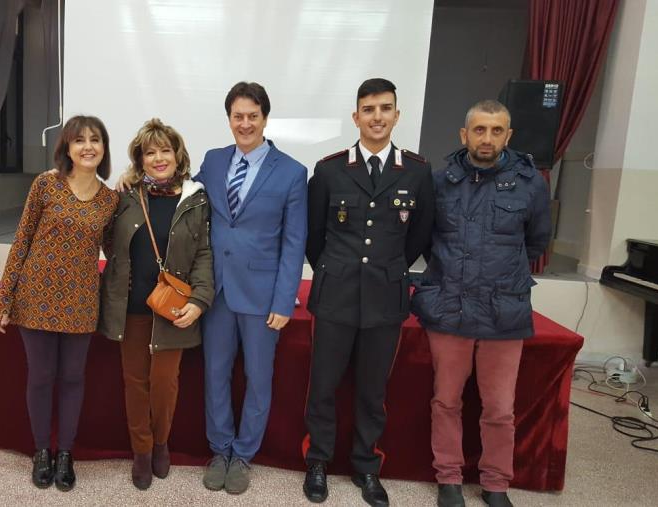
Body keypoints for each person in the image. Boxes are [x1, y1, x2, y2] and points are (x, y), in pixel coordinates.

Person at [411, 100, 551, 507]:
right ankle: (449, 478)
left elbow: (537, 242)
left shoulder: (531, 183)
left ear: (508, 136)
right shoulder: (439, 182)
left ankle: (495, 484)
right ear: (464, 135)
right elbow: (423, 237)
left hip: (503, 312)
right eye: (479, 130)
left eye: (496, 131)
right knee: (446, 400)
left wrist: (500, 275)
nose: (486, 138)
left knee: (500, 408)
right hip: (449, 308)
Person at [303, 78, 435, 506]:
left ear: (397, 115)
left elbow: (419, 235)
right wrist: (337, 268)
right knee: (323, 385)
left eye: (385, 108)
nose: (377, 116)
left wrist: (386, 268)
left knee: (372, 391)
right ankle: (318, 462)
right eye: (369, 109)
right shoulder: (329, 169)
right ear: (356, 116)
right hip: (336, 294)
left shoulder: (416, 171)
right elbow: (313, 235)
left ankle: (366, 467)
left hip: (385, 296)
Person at [0, 115, 119, 491]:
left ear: (104, 148)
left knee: (73, 378)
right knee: (42, 376)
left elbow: (115, 253)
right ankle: (40, 452)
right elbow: (22, 241)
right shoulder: (46, 185)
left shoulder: (111, 199)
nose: (88, 147)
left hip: (81, 299)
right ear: (66, 147)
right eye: (79, 140)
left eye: (95, 140)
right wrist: (5, 298)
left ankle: (65, 453)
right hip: (36, 295)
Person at [193, 81, 308, 495]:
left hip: (263, 296)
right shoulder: (212, 159)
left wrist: (284, 299)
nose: (245, 123)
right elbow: (185, 196)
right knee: (215, 374)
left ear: (265, 118)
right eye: (237, 116)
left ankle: (243, 455)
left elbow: (294, 242)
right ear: (229, 119)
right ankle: (220, 448)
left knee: (258, 379)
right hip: (216, 290)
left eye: (252, 116)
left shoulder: (293, 172)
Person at [98, 118, 214, 490]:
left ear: (178, 155)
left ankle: (162, 441)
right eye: (151, 152)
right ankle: (142, 452)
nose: (159, 158)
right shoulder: (127, 197)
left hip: (172, 308)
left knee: (165, 383)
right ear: (140, 159)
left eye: (165, 150)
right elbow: (109, 245)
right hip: (131, 306)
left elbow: (203, 255)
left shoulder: (195, 198)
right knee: (135, 383)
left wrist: (199, 300)